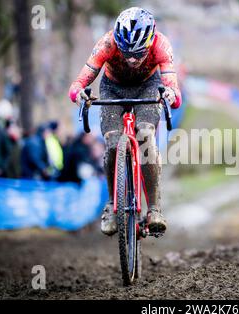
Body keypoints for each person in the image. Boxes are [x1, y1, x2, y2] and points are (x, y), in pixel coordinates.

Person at [68, 7, 181, 236]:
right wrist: (79, 93)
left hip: (148, 86)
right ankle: (111, 206)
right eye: (126, 51)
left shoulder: (161, 45)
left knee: (145, 135)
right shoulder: (106, 44)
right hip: (112, 88)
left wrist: (169, 94)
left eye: (138, 53)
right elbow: (77, 85)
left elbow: (174, 92)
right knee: (111, 142)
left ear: (149, 43)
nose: (131, 59)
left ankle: (154, 210)